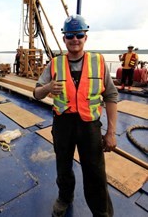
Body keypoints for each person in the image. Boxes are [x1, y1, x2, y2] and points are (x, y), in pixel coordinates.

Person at [33, 15, 118, 217]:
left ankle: (101, 211)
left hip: (90, 126)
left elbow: (111, 95)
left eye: (79, 34)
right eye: (70, 35)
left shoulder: (98, 62)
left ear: (85, 37)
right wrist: (47, 87)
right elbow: (36, 93)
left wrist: (111, 132)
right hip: (63, 124)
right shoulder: (55, 64)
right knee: (63, 166)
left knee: (95, 172)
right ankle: (64, 197)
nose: (75, 39)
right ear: (64, 38)